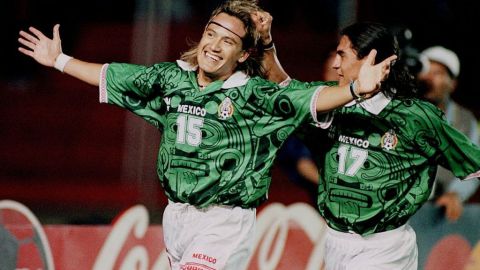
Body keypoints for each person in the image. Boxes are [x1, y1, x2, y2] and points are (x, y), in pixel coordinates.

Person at [18, 1, 395, 269]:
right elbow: (113, 76)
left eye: (227, 41)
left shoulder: (254, 95)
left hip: (224, 223)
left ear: (243, 54)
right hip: (177, 218)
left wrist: (354, 90)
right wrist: (59, 60)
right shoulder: (171, 78)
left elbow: (305, 96)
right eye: (210, 34)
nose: (214, 45)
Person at [258, 16, 480, 269]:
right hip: (334, 241)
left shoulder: (417, 117)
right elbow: (285, 89)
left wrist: (456, 195)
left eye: (342, 55)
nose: (335, 63)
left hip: (384, 246)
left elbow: (475, 161)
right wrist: (266, 43)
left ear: (370, 60)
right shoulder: (332, 101)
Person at [417, 46, 480, 222]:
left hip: (435, 213)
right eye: (425, 70)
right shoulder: (404, 110)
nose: (428, 77)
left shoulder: (465, 120)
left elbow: (474, 168)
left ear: (452, 84)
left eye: (437, 73)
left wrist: (456, 194)